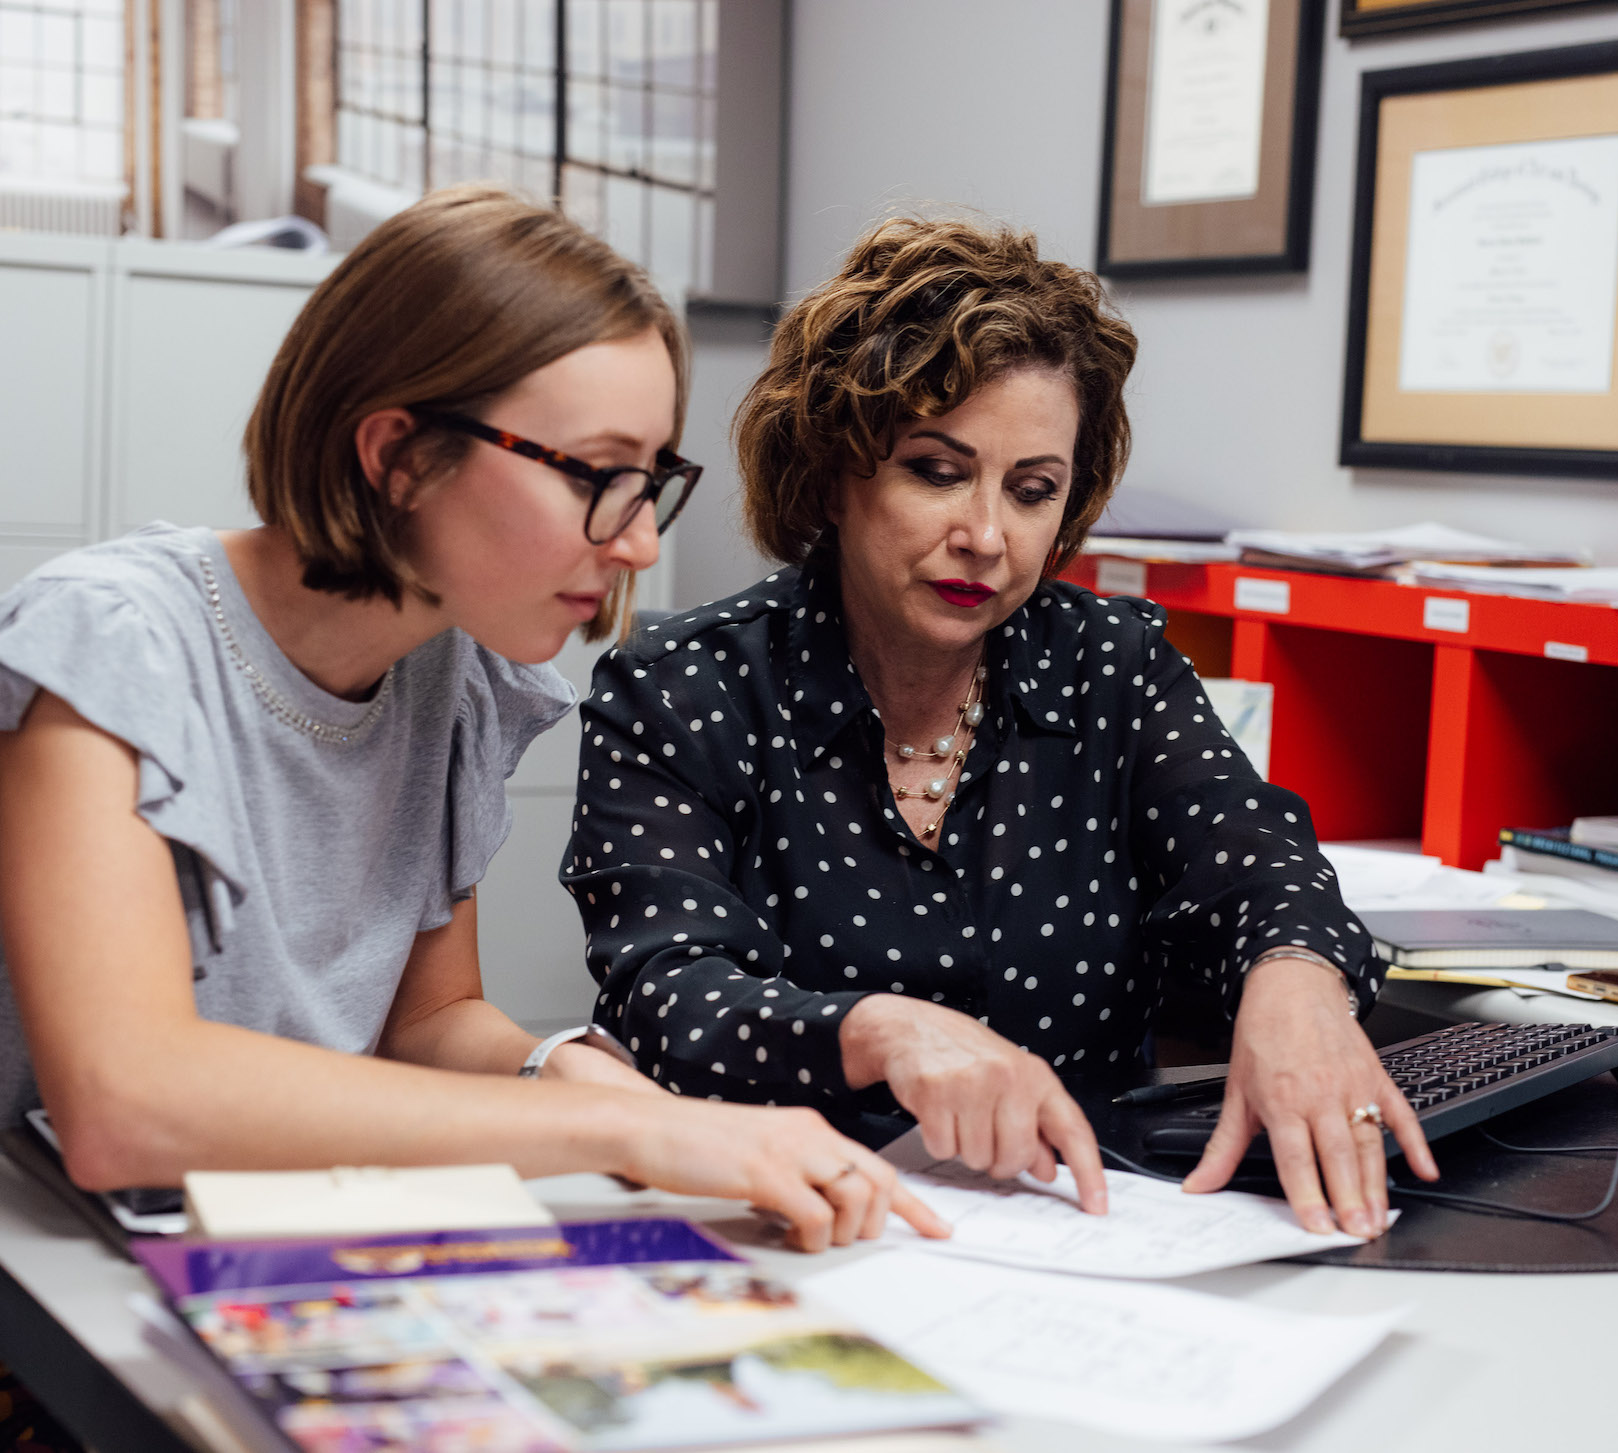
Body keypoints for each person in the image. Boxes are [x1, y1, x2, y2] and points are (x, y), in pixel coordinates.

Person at [0, 185, 942, 1255]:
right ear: (399, 455)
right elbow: (125, 1101)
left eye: (652, 481)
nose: (639, 544)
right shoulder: (111, 641)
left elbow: (428, 1024)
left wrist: (567, 1074)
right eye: (601, 475)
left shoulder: (448, 674)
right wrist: (607, 1127)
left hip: (265, 1240)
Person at [565, 215, 1440, 1241]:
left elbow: (1255, 859)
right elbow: (671, 995)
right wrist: (879, 1030)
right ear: (836, 472)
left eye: (1034, 491)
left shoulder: (1112, 664)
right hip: (791, 1230)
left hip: (1094, 1231)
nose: (986, 536)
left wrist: (1296, 979)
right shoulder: (682, 689)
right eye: (937, 472)